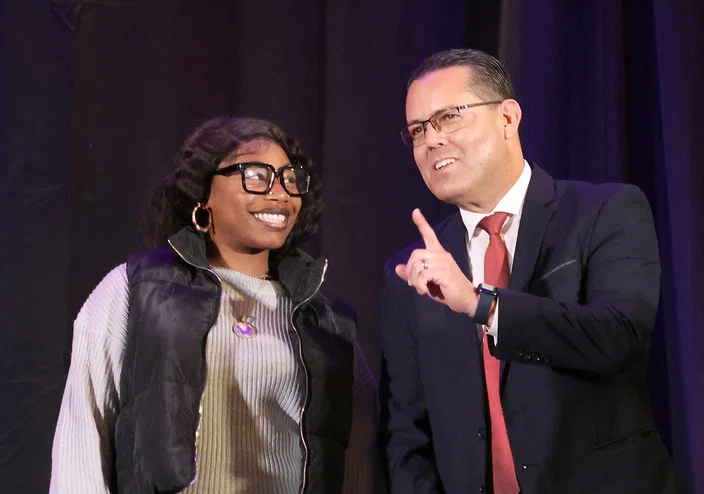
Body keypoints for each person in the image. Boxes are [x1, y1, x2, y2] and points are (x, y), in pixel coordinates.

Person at [379, 48, 682, 494]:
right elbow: (408, 432)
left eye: (449, 118)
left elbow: (617, 335)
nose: (431, 140)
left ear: (507, 118)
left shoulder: (603, 211)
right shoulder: (413, 268)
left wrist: (482, 305)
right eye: (418, 130)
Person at [50, 116, 380, 493]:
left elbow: (359, 462)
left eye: (290, 179)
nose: (279, 193)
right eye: (255, 175)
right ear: (202, 191)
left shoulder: (325, 319)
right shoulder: (138, 288)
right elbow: (82, 434)